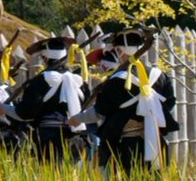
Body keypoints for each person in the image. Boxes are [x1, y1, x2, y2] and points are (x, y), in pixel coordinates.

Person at [74, 29, 178, 173]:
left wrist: (77, 118)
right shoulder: (161, 77)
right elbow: (170, 104)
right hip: (155, 143)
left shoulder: (115, 80)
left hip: (124, 146)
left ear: (119, 50)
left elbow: (100, 110)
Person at [10, 31, 86, 163]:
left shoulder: (40, 81)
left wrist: (5, 109)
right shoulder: (79, 81)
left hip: (48, 138)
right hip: (75, 139)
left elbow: (26, 113)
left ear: (45, 58)